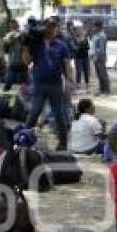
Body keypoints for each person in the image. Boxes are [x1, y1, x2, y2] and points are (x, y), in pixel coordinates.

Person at [24, 17, 74, 151]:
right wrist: (25, 47)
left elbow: (67, 64)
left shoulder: (61, 45)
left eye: (54, 27)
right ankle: (24, 139)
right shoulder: (36, 43)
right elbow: (27, 62)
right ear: (44, 28)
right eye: (50, 26)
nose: (52, 29)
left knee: (59, 114)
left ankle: (63, 143)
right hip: (39, 85)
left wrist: (69, 80)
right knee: (35, 111)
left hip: (56, 85)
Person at [2, 20, 28, 91]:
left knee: (27, 83)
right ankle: (4, 99)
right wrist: (6, 42)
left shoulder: (22, 34)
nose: (12, 28)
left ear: (17, 26)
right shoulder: (9, 36)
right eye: (11, 26)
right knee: (8, 83)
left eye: (14, 26)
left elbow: (25, 42)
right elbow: (6, 50)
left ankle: (28, 98)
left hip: (23, 63)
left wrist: (19, 36)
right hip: (12, 64)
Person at [90, 20, 110, 96]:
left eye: (94, 26)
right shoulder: (96, 35)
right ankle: (101, 89)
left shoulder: (102, 36)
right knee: (99, 74)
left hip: (100, 58)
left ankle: (106, 91)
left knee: (103, 74)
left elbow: (101, 49)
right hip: (95, 57)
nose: (93, 28)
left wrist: (95, 54)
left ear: (98, 27)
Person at [72, 27, 91, 92]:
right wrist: (82, 46)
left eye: (81, 30)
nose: (80, 31)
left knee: (86, 71)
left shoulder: (85, 38)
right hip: (78, 57)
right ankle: (78, 85)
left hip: (85, 57)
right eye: (78, 30)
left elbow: (88, 47)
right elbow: (75, 48)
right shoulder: (74, 39)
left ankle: (87, 84)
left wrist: (80, 45)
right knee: (79, 71)